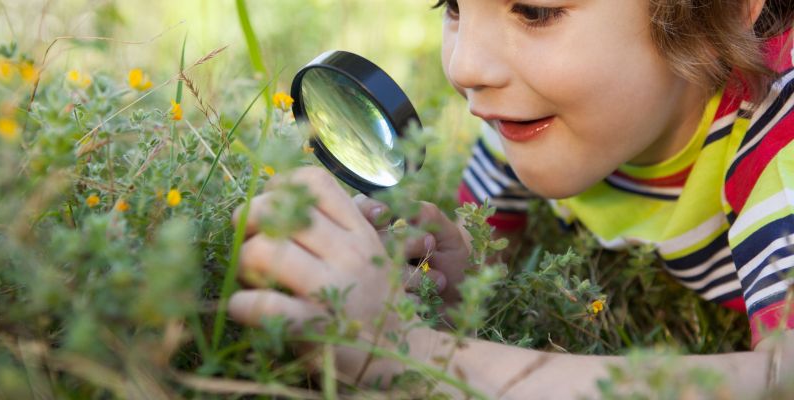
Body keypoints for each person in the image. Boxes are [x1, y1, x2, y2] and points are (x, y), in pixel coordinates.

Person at [228, 0, 794, 397]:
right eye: (453, 5)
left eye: (535, 11)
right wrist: (459, 280)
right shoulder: (525, 117)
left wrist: (410, 356)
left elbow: (779, 380)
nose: (466, 67)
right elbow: (488, 260)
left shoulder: (779, 144)